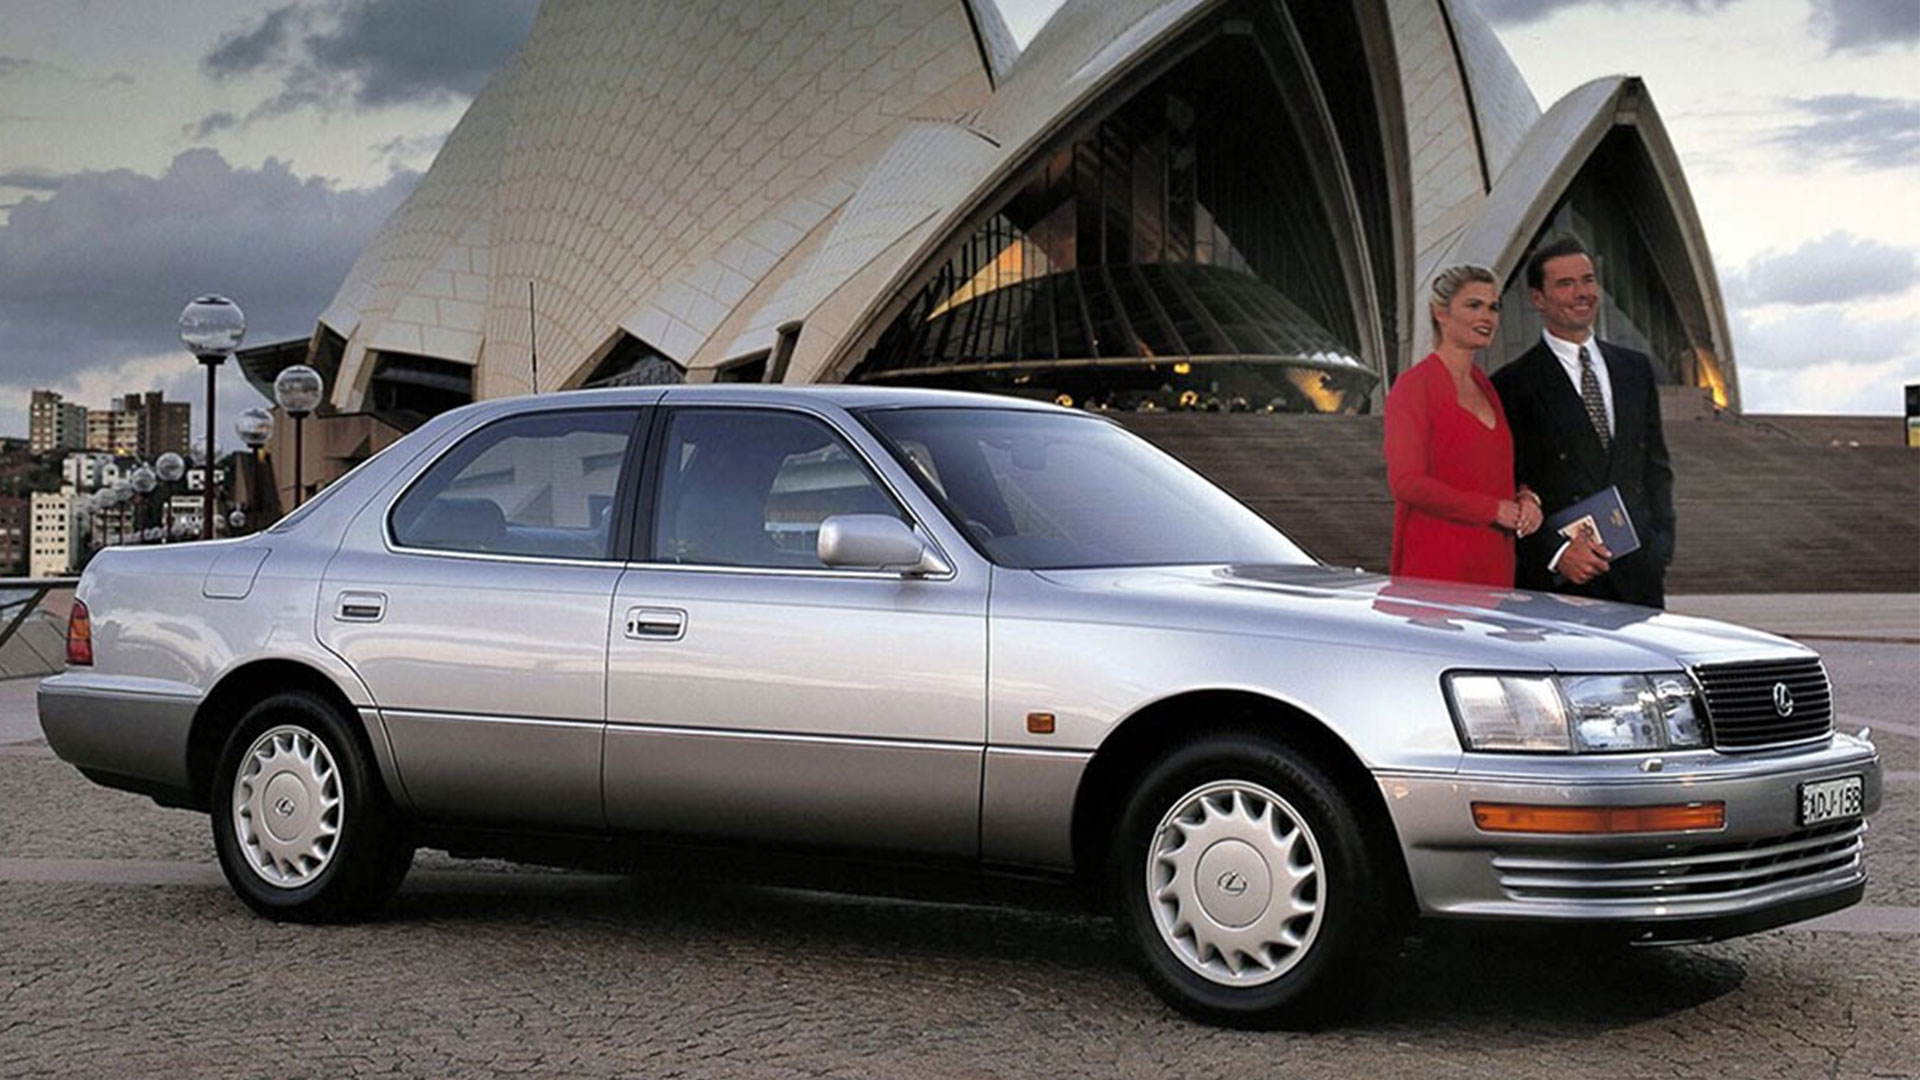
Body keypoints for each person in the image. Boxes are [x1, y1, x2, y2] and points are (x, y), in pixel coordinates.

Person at [1491, 236, 1676, 608]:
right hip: (1560, 585)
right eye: (1565, 283)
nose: (1582, 293)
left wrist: (1659, 548)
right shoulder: (1512, 383)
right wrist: (1557, 554)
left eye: (1588, 280)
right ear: (1537, 299)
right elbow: (1506, 484)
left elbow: (1655, 467)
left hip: (1638, 575)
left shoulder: (1635, 369)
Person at [1384, 264, 1542, 587]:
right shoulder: (1414, 386)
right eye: (1474, 305)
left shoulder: (1487, 387)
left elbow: (1494, 471)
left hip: (1493, 567)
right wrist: (1491, 509)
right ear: (1440, 313)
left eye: (1493, 307)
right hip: (1435, 571)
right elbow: (1406, 482)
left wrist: (1527, 500)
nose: (1487, 317)